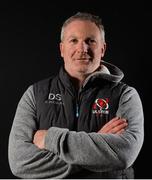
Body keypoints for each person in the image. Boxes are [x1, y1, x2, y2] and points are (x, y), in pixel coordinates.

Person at [8, 12, 144, 179]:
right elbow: (19, 162)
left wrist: (52, 139)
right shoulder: (35, 95)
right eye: (74, 40)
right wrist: (98, 148)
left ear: (102, 49)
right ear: (62, 49)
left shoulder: (126, 96)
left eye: (90, 41)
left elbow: (123, 155)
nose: (82, 49)